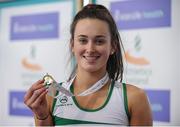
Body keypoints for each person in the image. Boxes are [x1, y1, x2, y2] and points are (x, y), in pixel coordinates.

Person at [24, 4, 152, 126]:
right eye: (83, 40)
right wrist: (41, 116)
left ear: (113, 46)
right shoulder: (52, 95)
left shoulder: (134, 98)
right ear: (72, 45)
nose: (90, 49)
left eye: (99, 41)